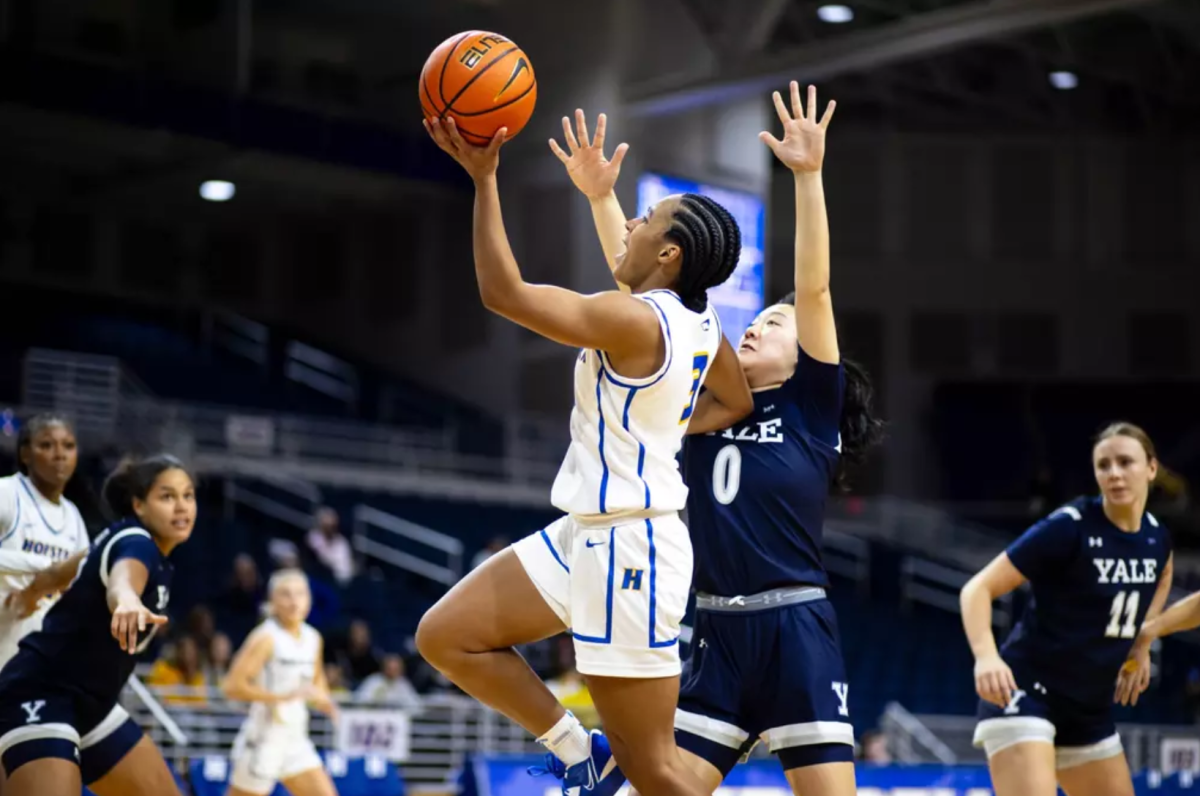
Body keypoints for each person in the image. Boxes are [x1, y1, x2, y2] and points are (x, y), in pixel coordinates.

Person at [553, 84, 883, 796]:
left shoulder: (809, 408)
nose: (760, 325)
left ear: (808, 354)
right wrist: (599, 197)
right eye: (757, 318)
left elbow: (815, 291)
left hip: (794, 628)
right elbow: (640, 278)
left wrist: (807, 175)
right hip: (713, 635)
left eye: (776, 324)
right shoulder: (699, 395)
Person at [417, 114, 753, 796]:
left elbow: (502, 294)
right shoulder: (700, 322)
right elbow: (736, 400)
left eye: (646, 217)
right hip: (586, 534)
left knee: (656, 771)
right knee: (445, 635)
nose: (632, 223)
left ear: (671, 255)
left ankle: (609, 762)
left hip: (633, 548)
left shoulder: (632, 320)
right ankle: (581, 753)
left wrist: (485, 180)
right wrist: (600, 196)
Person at [960, 422, 1174, 796]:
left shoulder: (1157, 536)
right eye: (1104, 465)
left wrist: (1143, 641)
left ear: (1151, 468)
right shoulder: (1069, 527)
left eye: (1126, 462)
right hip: (1025, 693)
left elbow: (1164, 573)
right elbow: (977, 589)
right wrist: (986, 657)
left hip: (1088, 708)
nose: (1115, 473)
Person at [0, 453, 196, 796]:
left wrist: (31, 593)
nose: (181, 506)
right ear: (139, 505)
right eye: (167, 496)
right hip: (41, 691)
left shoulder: (115, 538)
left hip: (92, 704)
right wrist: (127, 600)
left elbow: (63, 570)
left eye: (188, 495)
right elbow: (123, 579)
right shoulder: (136, 543)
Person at [222, 568, 338, 796]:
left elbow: (317, 683)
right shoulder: (266, 637)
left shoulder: (313, 638)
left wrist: (326, 703)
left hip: (296, 739)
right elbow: (232, 687)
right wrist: (281, 698)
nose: (294, 601)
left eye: (300, 594)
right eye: (285, 594)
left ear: (309, 599)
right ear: (272, 601)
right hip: (264, 739)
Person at [0, 414, 91, 667]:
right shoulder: (7, 493)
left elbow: (77, 584)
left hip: (36, 640)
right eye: (47, 445)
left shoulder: (72, 515)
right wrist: (39, 567)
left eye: (68, 446)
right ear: (25, 454)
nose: (60, 454)